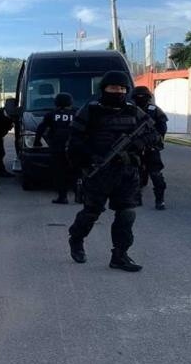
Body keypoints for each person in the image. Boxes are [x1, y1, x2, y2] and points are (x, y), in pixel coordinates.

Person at [67, 71, 158, 272]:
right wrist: (90, 157)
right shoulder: (90, 110)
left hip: (127, 173)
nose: (118, 92)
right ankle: (76, 239)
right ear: (104, 89)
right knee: (91, 212)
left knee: (127, 214)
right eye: (113, 88)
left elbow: (154, 135)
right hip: (99, 172)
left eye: (122, 89)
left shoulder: (134, 111)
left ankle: (120, 255)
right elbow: (74, 140)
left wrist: (136, 145)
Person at [35, 93, 77, 204]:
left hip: (57, 148)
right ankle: (79, 195)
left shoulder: (51, 114)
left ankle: (62, 197)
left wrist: (37, 141)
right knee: (76, 171)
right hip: (74, 147)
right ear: (70, 102)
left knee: (60, 172)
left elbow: (41, 128)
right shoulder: (76, 113)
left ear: (56, 103)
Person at [131, 86, 168, 210]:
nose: (140, 98)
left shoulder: (154, 110)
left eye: (143, 96)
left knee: (155, 174)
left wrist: (154, 140)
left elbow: (162, 129)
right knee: (135, 173)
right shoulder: (130, 110)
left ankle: (159, 200)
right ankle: (137, 197)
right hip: (135, 147)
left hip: (151, 147)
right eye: (138, 97)